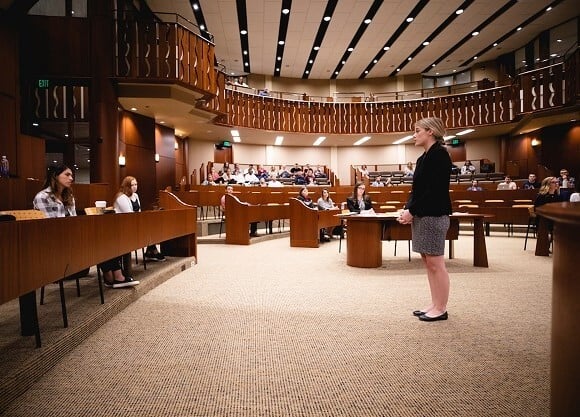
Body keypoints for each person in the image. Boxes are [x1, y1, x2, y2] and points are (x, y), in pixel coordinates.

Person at [33, 164, 138, 289]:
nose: (71, 178)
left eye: (71, 175)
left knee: (107, 236)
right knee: (100, 239)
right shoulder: (42, 197)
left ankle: (114, 276)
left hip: (72, 236)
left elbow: (75, 220)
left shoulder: (69, 196)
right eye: (67, 175)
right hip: (54, 241)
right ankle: (113, 277)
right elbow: (49, 227)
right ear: (55, 176)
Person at [397, 117, 452, 322]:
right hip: (422, 214)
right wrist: (408, 209)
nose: (414, 134)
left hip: (434, 214)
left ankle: (441, 308)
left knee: (436, 264)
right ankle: (434, 303)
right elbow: (417, 190)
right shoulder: (422, 158)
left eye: (417, 130)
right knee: (428, 263)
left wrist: (413, 210)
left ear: (430, 132)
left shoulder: (440, 155)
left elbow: (433, 190)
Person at [114, 176, 166, 262]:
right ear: (127, 186)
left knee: (153, 227)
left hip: (135, 222)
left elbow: (139, 211)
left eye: (136, 184)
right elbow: (129, 215)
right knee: (149, 228)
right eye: (132, 185)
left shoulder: (135, 195)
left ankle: (151, 250)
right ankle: (152, 251)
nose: (135, 186)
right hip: (124, 226)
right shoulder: (121, 197)